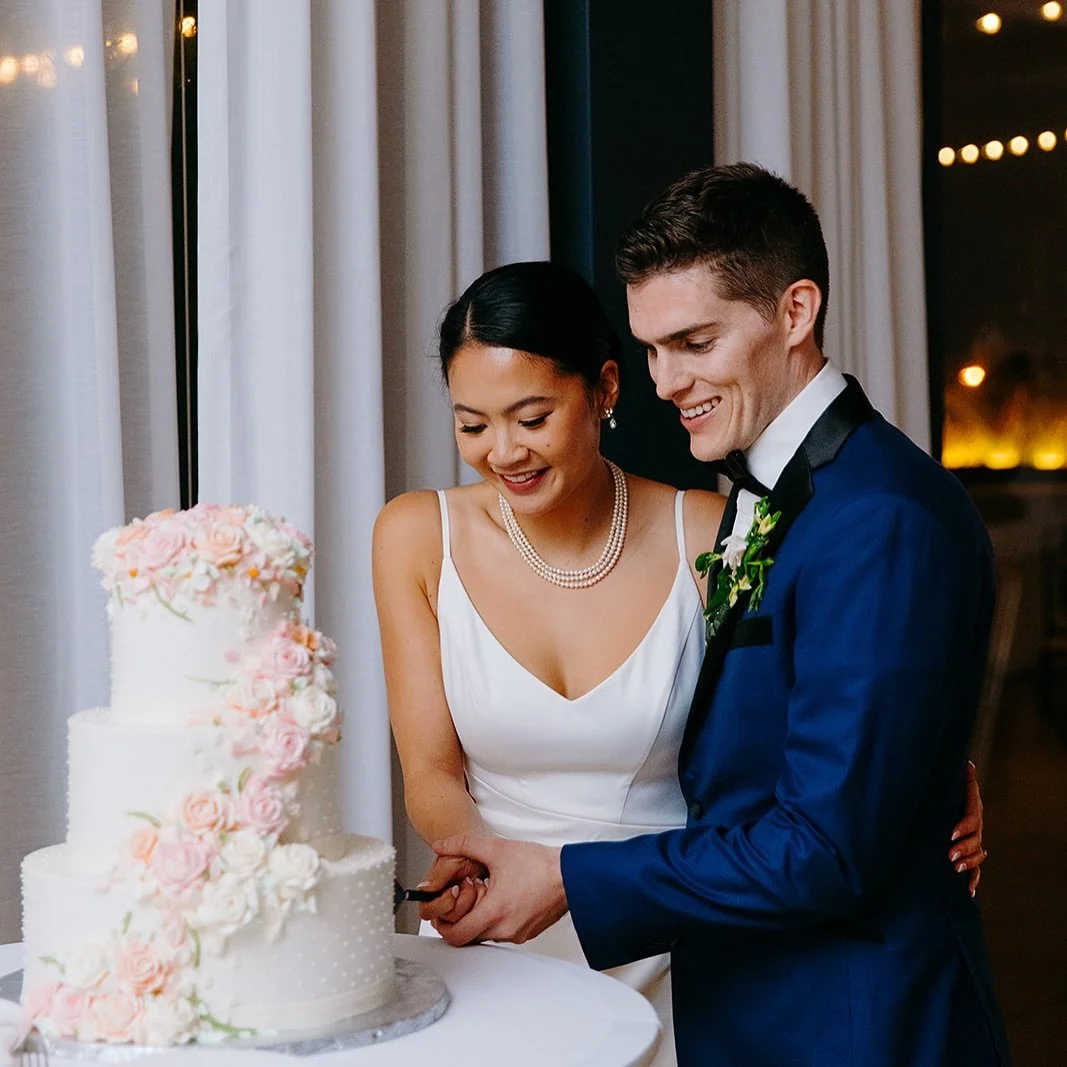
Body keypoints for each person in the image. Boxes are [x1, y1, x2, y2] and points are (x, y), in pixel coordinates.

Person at [423, 165, 1009, 1066]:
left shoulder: (879, 514)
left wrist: (570, 875)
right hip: (746, 1002)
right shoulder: (765, 494)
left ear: (794, 311)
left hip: (850, 1023)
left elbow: (823, 849)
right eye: (653, 349)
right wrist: (922, 760)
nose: (666, 381)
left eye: (693, 341)